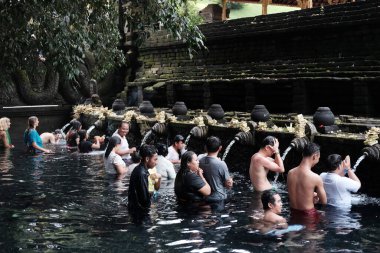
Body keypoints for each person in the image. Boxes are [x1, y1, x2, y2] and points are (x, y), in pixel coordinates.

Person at [287, 143, 326, 226]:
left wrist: (310, 194)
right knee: (315, 236)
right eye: (318, 157)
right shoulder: (315, 177)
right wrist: (316, 196)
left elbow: (296, 192)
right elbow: (324, 201)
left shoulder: (290, 173)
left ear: (302, 154)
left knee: (293, 235)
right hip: (308, 215)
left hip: (293, 211)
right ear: (315, 156)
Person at [128, 145, 160, 214]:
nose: (156, 163)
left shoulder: (139, 169)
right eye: (155, 159)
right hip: (139, 212)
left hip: (134, 207)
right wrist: (151, 208)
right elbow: (144, 200)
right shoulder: (142, 174)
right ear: (147, 159)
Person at [199, 136, 233, 202]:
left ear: (205, 147)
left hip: (204, 196)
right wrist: (230, 181)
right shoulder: (221, 164)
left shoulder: (200, 161)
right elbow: (228, 185)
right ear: (220, 148)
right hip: (219, 197)